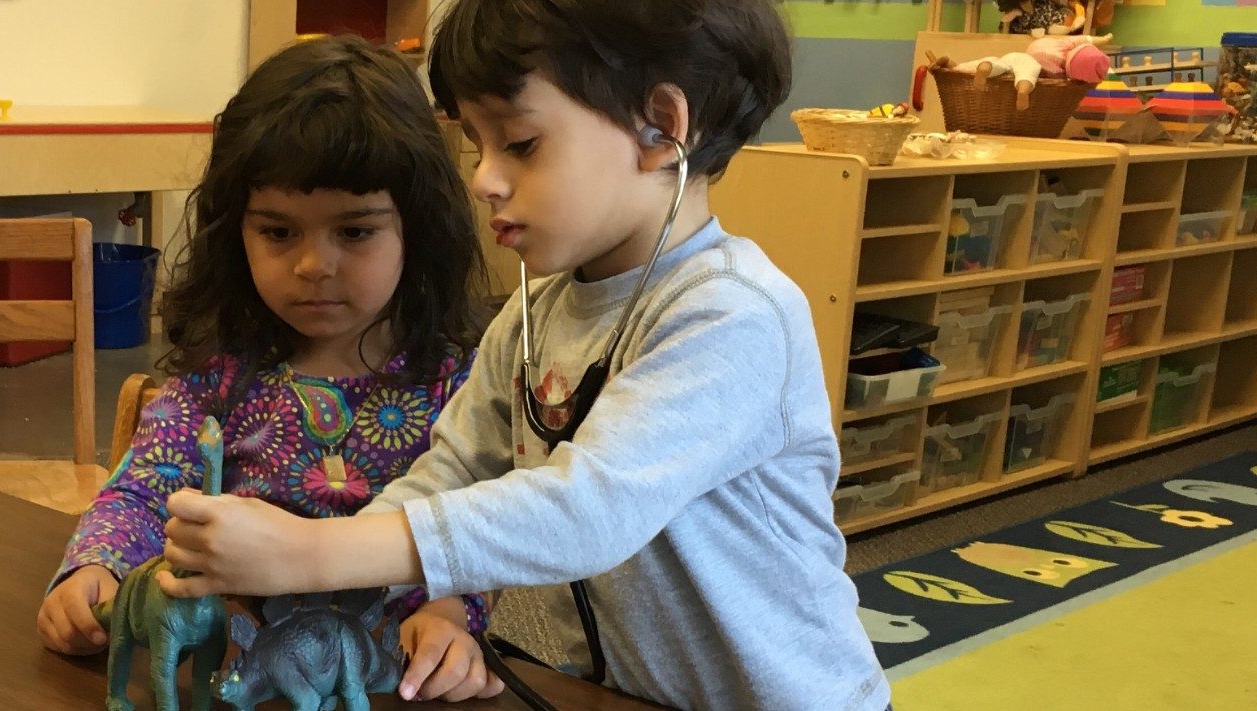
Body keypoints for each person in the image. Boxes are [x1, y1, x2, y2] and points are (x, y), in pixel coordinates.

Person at [157, 2, 891, 708]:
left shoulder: (733, 314)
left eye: (521, 144)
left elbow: (585, 511)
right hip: (627, 692)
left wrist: (315, 554)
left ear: (662, 127)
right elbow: (450, 470)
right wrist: (303, 583)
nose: (483, 178)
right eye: (479, 145)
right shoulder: (535, 312)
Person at [35, 35, 506, 704]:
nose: (315, 264)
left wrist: (452, 616)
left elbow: (483, 528)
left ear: (419, 227)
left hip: (389, 679)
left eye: (355, 231)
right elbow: (142, 494)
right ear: (237, 232)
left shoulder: (460, 381)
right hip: (226, 674)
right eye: (279, 232)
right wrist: (93, 567)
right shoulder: (221, 368)